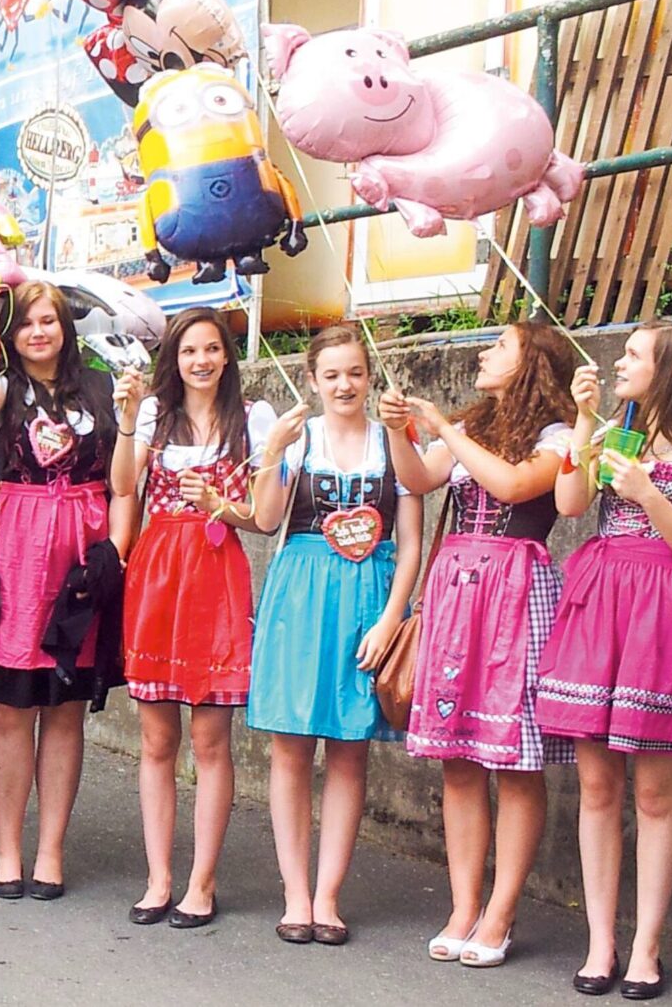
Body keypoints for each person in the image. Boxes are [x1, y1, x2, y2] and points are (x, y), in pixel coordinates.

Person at [541, 322, 672, 999]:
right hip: (600, 605)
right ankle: (600, 942)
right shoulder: (613, 431)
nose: (619, 362)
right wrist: (584, 421)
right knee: (597, 786)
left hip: (666, 613)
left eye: (634, 354)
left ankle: (646, 948)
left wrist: (649, 494)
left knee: (655, 794)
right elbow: (570, 505)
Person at [378, 322, 581, 967]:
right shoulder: (474, 425)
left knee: (515, 760)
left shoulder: (559, 435)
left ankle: (500, 911)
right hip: (457, 590)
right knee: (458, 758)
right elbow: (419, 478)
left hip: (516, 587)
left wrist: (446, 428)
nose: (485, 354)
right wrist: (398, 432)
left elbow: (515, 487)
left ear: (532, 364)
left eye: (500, 347)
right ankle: (464, 906)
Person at [246, 325, 420, 946]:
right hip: (301, 593)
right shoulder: (299, 440)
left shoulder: (393, 439)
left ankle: (328, 895)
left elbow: (411, 542)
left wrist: (391, 618)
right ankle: (295, 893)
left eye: (355, 373)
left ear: (370, 377)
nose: (345, 385)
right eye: (332, 374)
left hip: (369, 599)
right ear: (313, 380)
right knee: (291, 746)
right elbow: (267, 519)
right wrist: (272, 451)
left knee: (351, 748)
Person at [108, 307, 278, 929]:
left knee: (210, 740)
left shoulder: (252, 419)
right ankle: (158, 877)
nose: (200, 361)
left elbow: (263, 519)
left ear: (227, 356)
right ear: (173, 360)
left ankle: (202, 881)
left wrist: (219, 504)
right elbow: (122, 486)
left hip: (215, 573)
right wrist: (127, 421)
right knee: (157, 740)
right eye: (188, 351)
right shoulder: (153, 414)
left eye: (210, 349)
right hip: (157, 572)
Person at [0, 259, 119, 901]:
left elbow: (123, 474)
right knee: (11, 709)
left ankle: (51, 849)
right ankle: (8, 850)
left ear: (66, 327)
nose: (38, 332)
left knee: (65, 708)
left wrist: (115, 550)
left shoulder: (101, 388)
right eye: (25, 323)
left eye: (48, 320)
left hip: (82, 552)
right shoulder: (3, 390)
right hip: (16, 555)